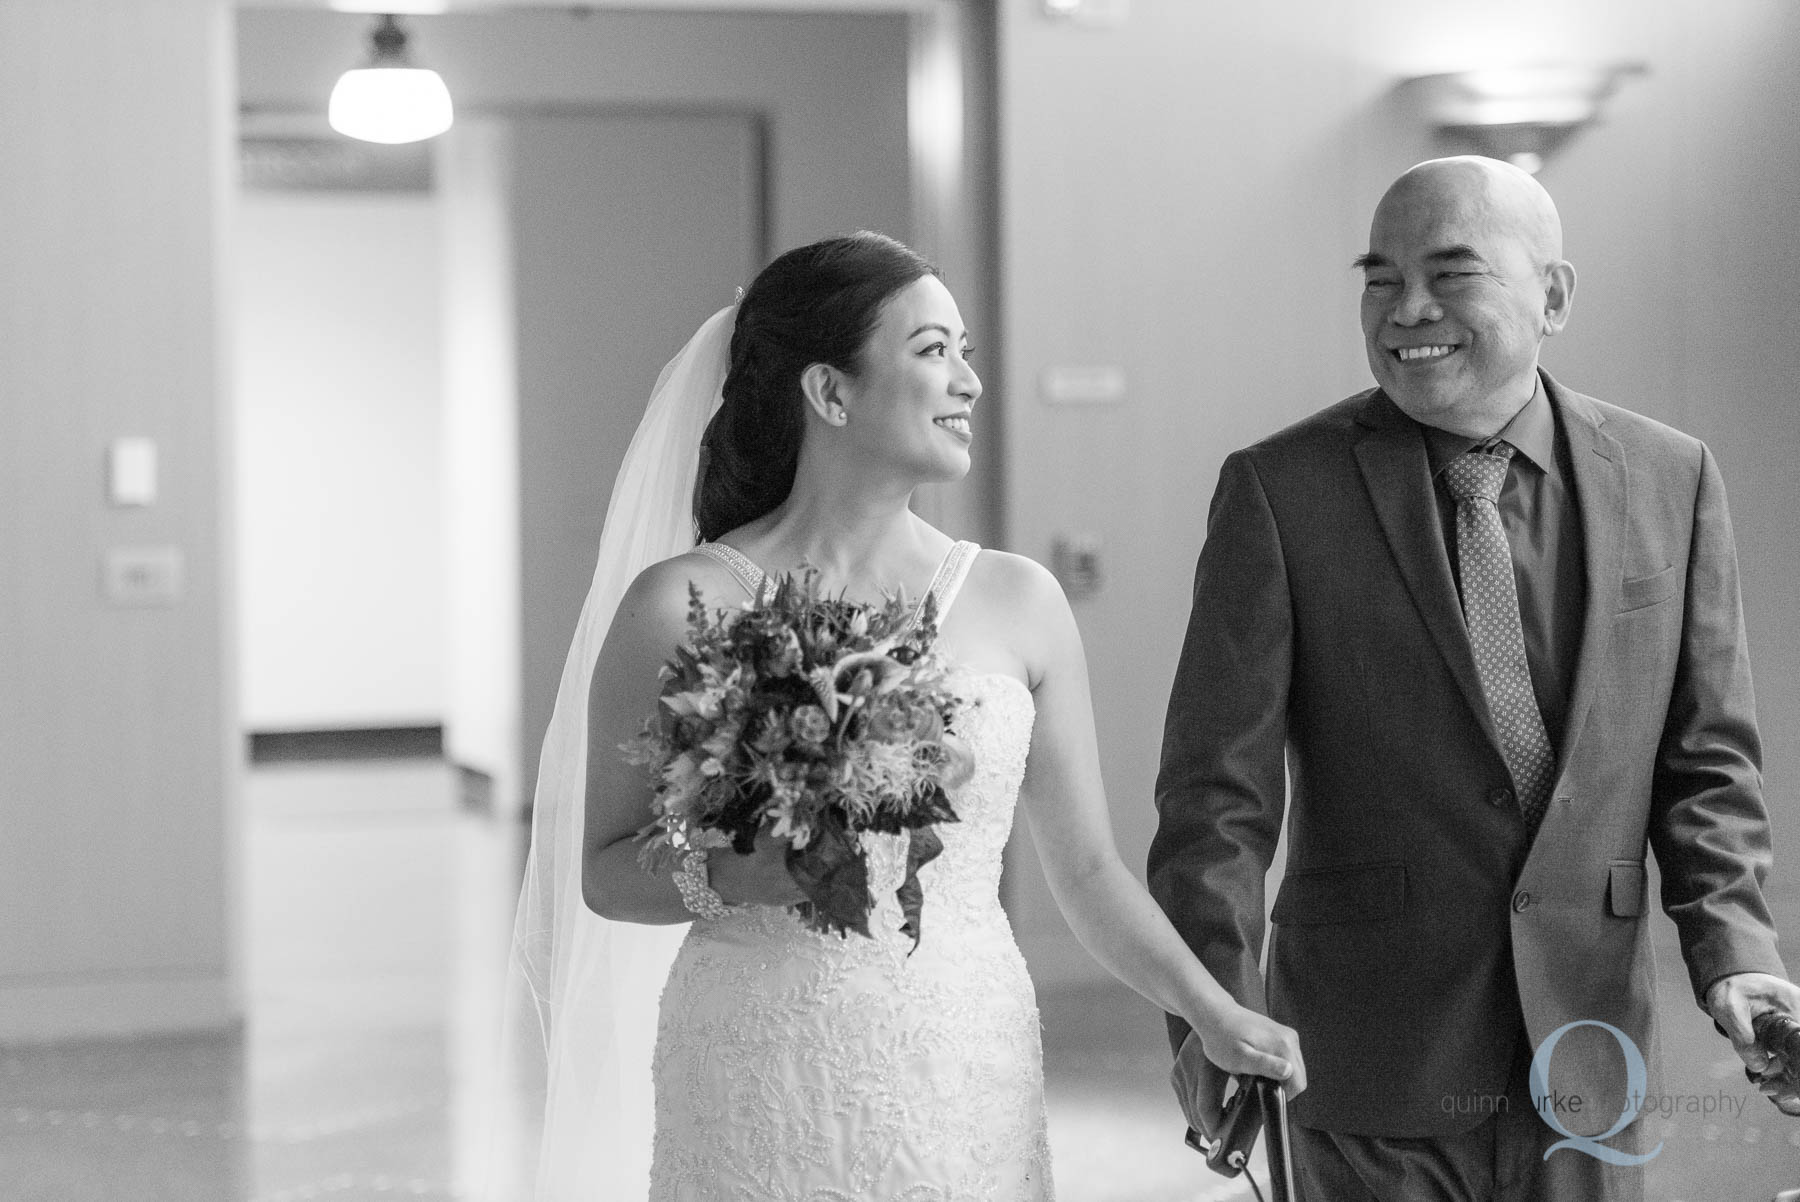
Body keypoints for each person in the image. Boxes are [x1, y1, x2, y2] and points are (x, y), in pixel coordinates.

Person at [508, 231, 1305, 1201]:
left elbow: (1089, 872)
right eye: (934, 350)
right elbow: (602, 866)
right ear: (830, 391)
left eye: (966, 350)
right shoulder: (680, 604)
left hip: (961, 1048)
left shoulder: (1022, 602)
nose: (969, 379)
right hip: (754, 1052)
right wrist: (735, 873)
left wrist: (1213, 1008)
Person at [1147, 155, 1800, 1201]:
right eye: (1380, 278)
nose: (1409, 309)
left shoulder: (1671, 477)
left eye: (1452, 274)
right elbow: (1214, 800)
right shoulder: (1280, 491)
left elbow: (1706, 758)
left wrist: (1736, 951)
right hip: (1364, 1053)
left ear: (1554, 294)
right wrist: (1215, 1018)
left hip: (1593, 1049)